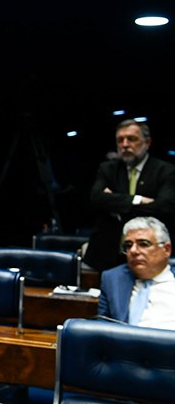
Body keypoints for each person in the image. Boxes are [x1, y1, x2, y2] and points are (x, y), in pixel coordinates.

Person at [85, 120, 175, 271]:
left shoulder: (165, 170)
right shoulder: (108, 169)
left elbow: (163, 208)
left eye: (132, 139)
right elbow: (96, 199)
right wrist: (137, 200)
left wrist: (116, 205)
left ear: (147, 142)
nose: (125, 144)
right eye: (120, 140)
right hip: (107, 253)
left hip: (150, 256)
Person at [98, 217, 175, 330]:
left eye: (143, 244)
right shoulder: (112, 279)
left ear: (166, 249)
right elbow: (102, 327)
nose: (133, 251)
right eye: (128, 245)